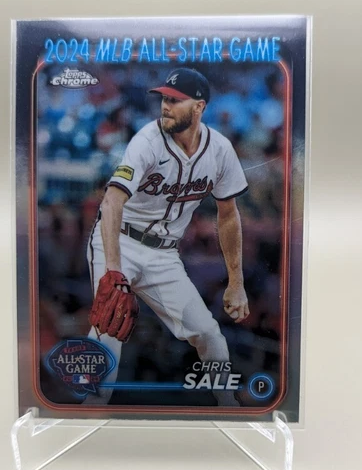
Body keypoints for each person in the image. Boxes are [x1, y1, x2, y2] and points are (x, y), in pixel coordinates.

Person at [87, 67, 250, 405]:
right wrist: (114, 269)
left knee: (208, 333)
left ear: (199, 107)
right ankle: (89, 410)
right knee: (109, 330)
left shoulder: (220, 150)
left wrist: (236, 282)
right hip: (119, 241)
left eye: (175, 100)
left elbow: (228, 215)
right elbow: (112, 201)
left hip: (163, 254)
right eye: (164, 98)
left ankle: (230, 409)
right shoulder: (147, 141)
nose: (165, 105)